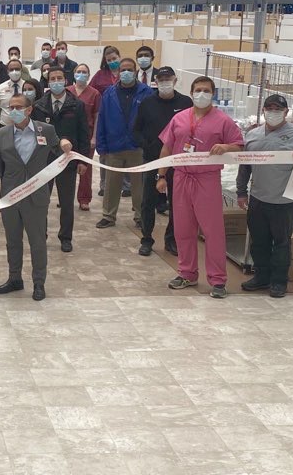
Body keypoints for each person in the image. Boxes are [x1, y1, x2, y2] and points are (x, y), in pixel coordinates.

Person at [0, 94, 71, 300]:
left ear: (29, 110)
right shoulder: (2, 134)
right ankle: (14, 278)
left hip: (36, 195)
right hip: (10, 196)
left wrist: (64, 142)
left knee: (37, 242)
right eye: (11, 107)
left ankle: (38, 282)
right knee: (12, 241)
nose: (13, 111)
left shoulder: (46, 130)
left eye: (18, 107)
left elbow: (57, 145)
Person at [157, 76, 244, 298]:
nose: (201, 94)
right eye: (198, 90)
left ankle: (217, 280)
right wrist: (161, 176)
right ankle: (187, 273)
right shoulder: (179, 118)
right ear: (192, 92)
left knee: (213, 231)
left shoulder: (223, 120)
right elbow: (167, 147)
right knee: (183, 229)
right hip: (181, 178)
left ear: (212, 94)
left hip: (207, 179)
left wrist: (225, 147)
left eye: (206, 90)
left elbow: (239, 146)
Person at [235, 95, 293, 298]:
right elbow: (245, 166)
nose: (273, 112)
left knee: (282, 243)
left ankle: (279, 281)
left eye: (278, 108)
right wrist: (241, 192)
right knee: (259, 242)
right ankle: (261, 277)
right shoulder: (253, 135)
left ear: (286, 112)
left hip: (284, 200)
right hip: (257, 198)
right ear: (263, 111)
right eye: (269, 108)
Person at [131, 67, 191, 257]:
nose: (165, 82)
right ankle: (146, 239)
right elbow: (136, 130)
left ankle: (171, 239)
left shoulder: (186, 102)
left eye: (168, 78)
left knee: (176, 203)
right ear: (156, 81)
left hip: (177, 161)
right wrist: (146, 145)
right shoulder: (147, 103)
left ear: (175, 80)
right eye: (161, 79)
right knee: (148, 201)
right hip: (152, 160)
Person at [33, 67, 89, 252]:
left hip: (68, 161)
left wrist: (83, 160)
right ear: (48, 82)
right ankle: (41, 234)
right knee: (41, 202)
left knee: (66, 202)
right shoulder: (39, 105)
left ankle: (66, 237)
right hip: (44, 161)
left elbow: (83, 134)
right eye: (52, 79)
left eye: (59, 78)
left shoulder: (77, 105)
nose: (56, 81)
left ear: (66, 81)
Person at [94, 57, 154, 230]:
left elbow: (150, 121)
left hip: (137, 147)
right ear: (118, 72)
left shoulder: (146, 92)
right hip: (114, 146)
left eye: (129, 69)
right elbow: (102, 119)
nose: (126, 73)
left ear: (135, 71)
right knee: (112, 183)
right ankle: (108, 215)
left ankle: (140, 216)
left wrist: (147, 143)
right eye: (123, 70)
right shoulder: (109, 93)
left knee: (139, 185)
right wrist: (101, 145)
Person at [69, 64, 100, 212]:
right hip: (69, 136)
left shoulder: (94, 94)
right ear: (74, 74)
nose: (81, 74)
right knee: (66, 169)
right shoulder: (67, 91)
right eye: (79, 72)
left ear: (89, 75)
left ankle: (84, 199)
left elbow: (97, 116)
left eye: (84, 72)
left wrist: (94, 137)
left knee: (85, 169)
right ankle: (66, 197)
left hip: (86, 136)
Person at [0, 59, 28, 127]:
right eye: (11, 69)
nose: (14, 72)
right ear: (7, 71)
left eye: (17, 69)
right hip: (5, 126)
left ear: (21, 70)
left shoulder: (27, 87)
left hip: (24, 126)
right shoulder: (0, 88)